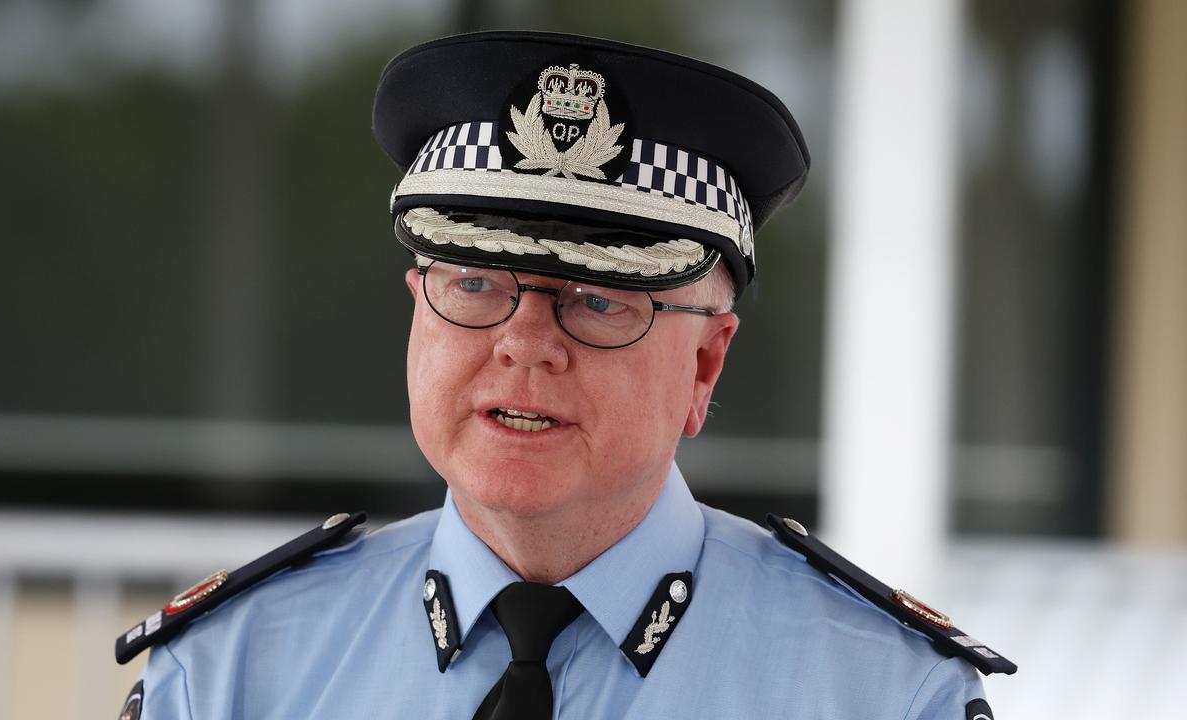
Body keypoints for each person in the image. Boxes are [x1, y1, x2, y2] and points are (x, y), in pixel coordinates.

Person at [113, 30, 1013, 720]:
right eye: (475, 282)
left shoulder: (882, 693)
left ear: (705, 362)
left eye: (599, 299)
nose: (524, 342)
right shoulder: (236, 671)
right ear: (416, 311)